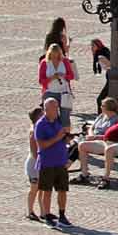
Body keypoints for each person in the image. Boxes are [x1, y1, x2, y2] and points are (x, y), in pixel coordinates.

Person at [30, 96, 73, 226]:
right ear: (46, 109)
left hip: (60, 161)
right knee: (47, 191)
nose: (57, 110)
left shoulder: (57, 121)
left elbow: (60, 139)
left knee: (62, 190)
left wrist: (66, 139)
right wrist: (57, 137)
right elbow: (42, 145)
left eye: (57, 108)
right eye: (54, 108)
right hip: (47, 162)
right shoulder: (40, 125)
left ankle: (62, 214)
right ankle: (47, 215)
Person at [38, 42, 76, 122]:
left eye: (57, 54)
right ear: (49, 53)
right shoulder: (44, 63)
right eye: (53, 55)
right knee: (50, 116)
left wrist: (63, 75)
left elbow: (71, 76)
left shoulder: (65, 61)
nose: (55, 57)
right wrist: (51, 78)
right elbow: (41, 80)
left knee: (65, 118)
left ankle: (66, 133)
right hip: (49, 92)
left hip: (64, 92)